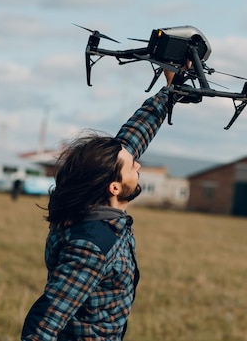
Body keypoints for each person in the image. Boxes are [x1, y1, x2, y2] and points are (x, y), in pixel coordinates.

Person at [21, 67, 181, 340]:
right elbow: (44, 323)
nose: (138, 164)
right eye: (133, 166)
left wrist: (169, 91)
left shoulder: (92, 206)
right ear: (114, 187)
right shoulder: (91, 246)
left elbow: (132, 139)